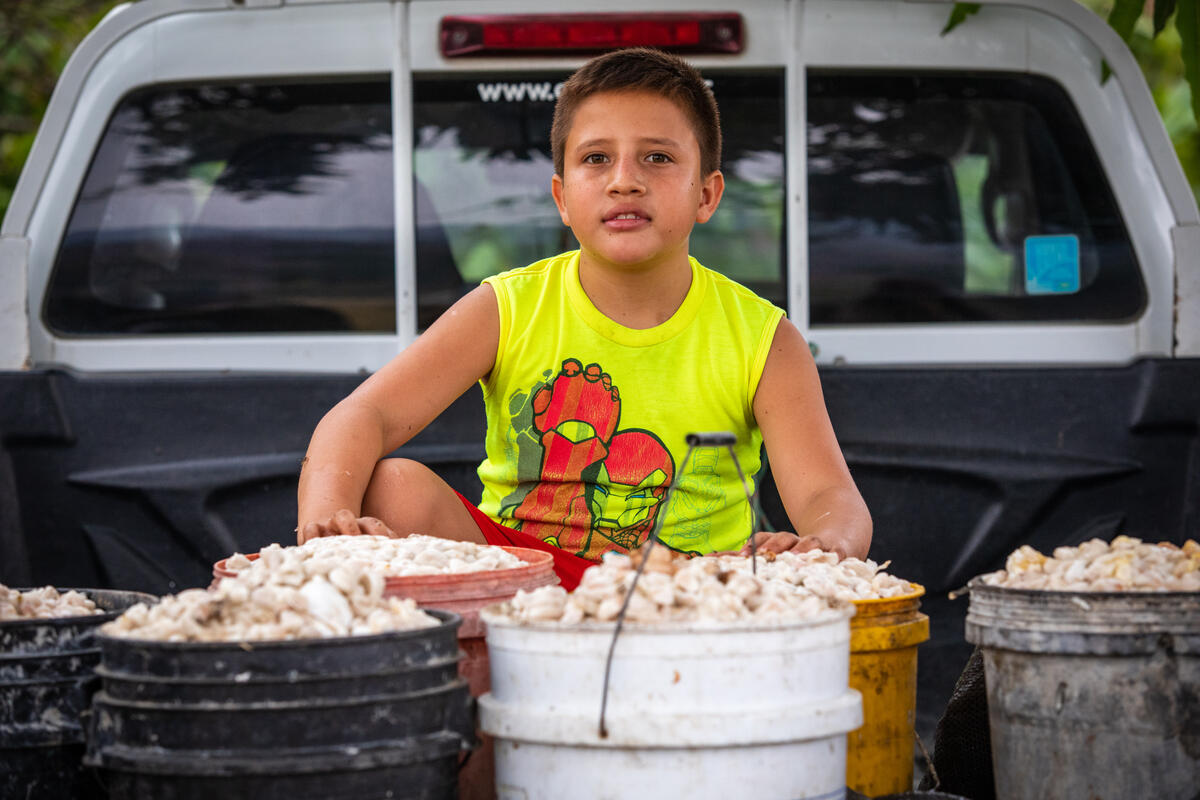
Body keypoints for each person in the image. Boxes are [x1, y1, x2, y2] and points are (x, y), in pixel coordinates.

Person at [297, 47, 871, 589]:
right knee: (392, 486)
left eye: (658, 157)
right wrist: (326, 524)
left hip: (692, 592)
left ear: (706, 194)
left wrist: (823, 545)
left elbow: (828, 494)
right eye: (596, 158)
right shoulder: (507, 307)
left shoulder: (764, 337)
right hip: (518, 582)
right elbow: (364, 413)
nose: (624, 178)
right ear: (563, 197)